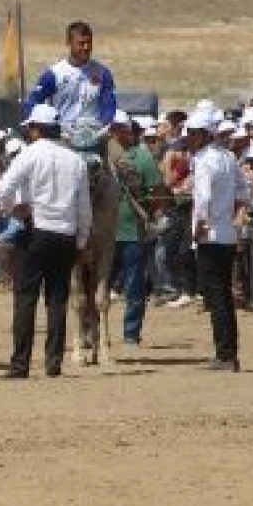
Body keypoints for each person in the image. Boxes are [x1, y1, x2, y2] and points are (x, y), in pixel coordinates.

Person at [0, 104, 91, 379]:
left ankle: (20, 363)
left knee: (25, 298)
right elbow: (84, 208)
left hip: (36, 230)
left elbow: (4, 187)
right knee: (58, 298)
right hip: (67, 234)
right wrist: (82, 241)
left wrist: (11, 207)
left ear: (35, 129)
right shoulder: (76, 160)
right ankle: (53, 362)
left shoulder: (29, 154)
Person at [185, 109, 247, 371]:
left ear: (203, 135)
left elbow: (203, 198)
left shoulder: (203, 160)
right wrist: (235, 216)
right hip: (228, 233)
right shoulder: (229, 157)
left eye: (192, 134)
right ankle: (230, 352)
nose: (188, 138)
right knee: (224, 295)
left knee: (217, 297)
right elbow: (243, 191)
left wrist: (199, 226)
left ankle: (224, 354)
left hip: (209, 234)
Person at [109, 110, 163, 348]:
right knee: (96, 285)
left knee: (134, 286)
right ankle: (91, 331)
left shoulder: (142, 157)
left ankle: (131, 334)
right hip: (104, 233)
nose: (118, 133)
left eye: (121, 128)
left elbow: (157, 189)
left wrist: (152, 211)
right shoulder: (97, 157)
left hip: (133, 231)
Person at [23, 21, 117, 149]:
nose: (86, 47)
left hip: (93, 139)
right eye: (81, 43)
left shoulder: (102, 73)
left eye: (89, 43)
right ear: (69, 43)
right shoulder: (54, 74)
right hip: (63, 139)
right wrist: (45, 127)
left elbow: (109, 105)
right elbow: (32, 103)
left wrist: (104, 126)